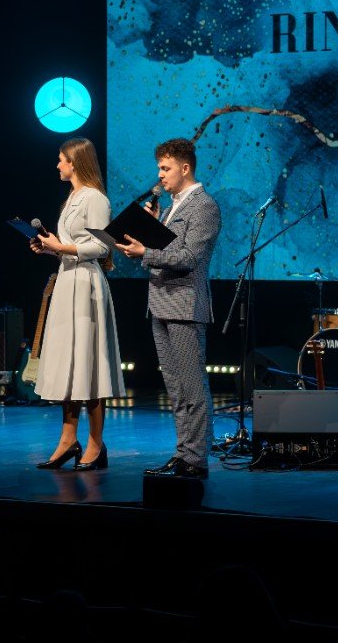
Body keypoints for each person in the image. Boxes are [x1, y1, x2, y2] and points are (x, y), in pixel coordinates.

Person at [117, 138, 220, 479]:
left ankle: (196, 458)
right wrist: (152, 228)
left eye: (166, 168)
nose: (160, 175)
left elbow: (188, 258)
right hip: (161, 303)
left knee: (191, 386)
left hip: (185, 305)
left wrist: (144, 252)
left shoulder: (203, 205)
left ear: (185, 168)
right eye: (159, 168)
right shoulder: (172, 206)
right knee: (175, 388)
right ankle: (183, 452)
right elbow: (169, 249)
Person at [30, 137, 124, 470]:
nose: (57, 165)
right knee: (67, 364)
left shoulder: (95, 198)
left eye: (61, 159)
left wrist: (61, 247)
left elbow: (102, 247)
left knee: (89, 363)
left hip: (86, 285)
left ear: (74, 162)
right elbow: (70, 245)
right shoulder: (72, 197)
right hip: (67, 281)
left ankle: (96, 443)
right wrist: (50, 248)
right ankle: (68, 440)